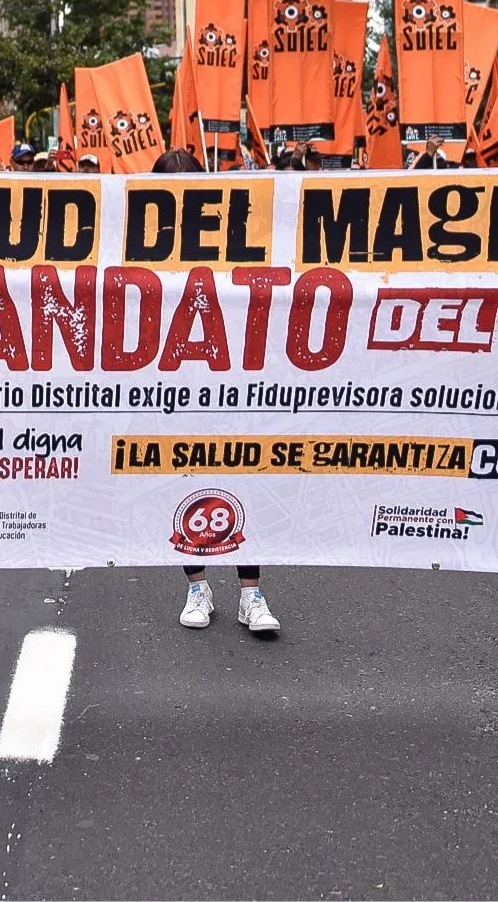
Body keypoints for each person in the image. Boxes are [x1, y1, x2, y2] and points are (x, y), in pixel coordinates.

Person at [153, 147, 280, 633]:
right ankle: (197, 587)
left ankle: (252, 594)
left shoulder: (236, 238)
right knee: (187, 475)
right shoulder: (142, 244)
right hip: (175, 379)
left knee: (247, 470)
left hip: (234, 376)